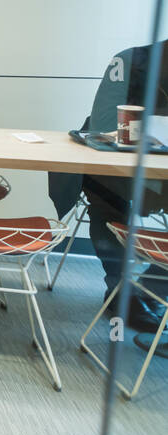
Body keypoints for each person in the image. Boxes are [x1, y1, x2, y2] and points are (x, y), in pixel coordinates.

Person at [80, 41, 168, 345]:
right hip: (116, 165)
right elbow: (105, 124)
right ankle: (119, 291)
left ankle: (149, 290)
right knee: (105, 199)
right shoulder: (133, 60)